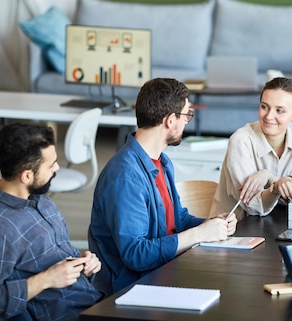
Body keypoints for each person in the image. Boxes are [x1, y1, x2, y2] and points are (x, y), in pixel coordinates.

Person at [88, 77, 237, 296]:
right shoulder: (125, 176)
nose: (187, 122)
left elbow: (177, 219)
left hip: (164, 272)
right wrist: (199, 234)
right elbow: (136, 254)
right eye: (186, 115)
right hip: (131, 290)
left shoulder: (162, 162)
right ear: (170, 121)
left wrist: (213, 225)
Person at [0, 123, 103, 321]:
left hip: (92, 300)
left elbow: (58, 259)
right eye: (51, 164)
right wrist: (46, 280)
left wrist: (84, 263)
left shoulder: (42, 201)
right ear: (27, 175)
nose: (57, 168)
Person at [210, 77, 292, 220]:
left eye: (280, 110)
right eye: (264, 107)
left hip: (280, 222)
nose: (269, 116)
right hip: (236, 229)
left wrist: (269, 177)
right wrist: (275, 182)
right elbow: (252, 206)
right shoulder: (241, 140)